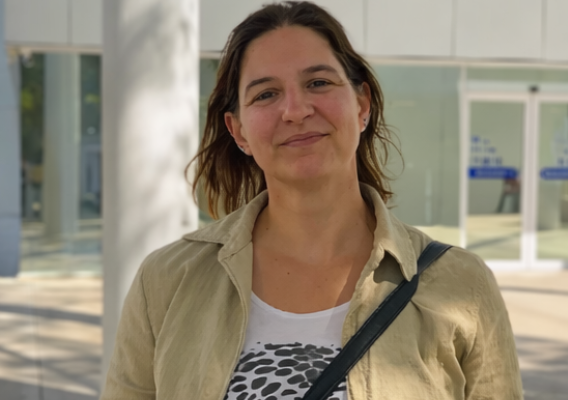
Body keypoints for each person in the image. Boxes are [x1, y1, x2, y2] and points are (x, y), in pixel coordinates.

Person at [100, 2, 523, 399]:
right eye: (265, 94)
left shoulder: (461, 284)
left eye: (318, 83)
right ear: (239, 131)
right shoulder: (167, 281)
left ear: (362, 105)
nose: (296, 110)